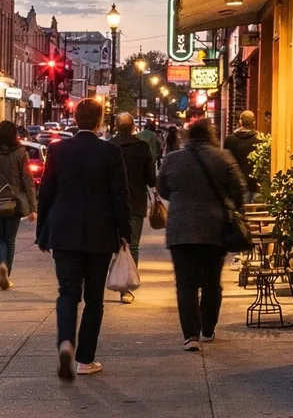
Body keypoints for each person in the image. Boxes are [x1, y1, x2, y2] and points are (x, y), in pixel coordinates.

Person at [35, 98, 129, 379]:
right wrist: (125, 232)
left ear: (75, 120)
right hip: (100, 234)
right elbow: (119, 196)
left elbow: (46, 193)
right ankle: (85, 360)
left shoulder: (58, 150)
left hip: (64, 231)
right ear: (100, 121)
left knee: (67, 292)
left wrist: (43, 231)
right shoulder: (111, 152)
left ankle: (66, 341)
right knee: (94, 298)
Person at [158, 117, 249, 351]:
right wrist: (231, 208)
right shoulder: (223, 157)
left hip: (181, 229)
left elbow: (163, 188)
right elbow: (239, 189)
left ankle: (191, 335)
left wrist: (182, 198)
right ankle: (208, 328)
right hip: (215, 228)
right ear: (211, 135)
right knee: (212, 281)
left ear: (188, 135)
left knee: (185, 284)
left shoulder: (173, 159)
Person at [0, 120, 37, 290]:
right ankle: (8, 273)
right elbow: (28, 180)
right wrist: (33, 207)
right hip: (15, 202)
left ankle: (1, 265)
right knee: (10, 239)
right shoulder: (21, 153)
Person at [109, 113, 157, 304]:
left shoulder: (109, 146)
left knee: (112, 243)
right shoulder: (142, 147)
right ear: (133, 127)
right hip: (135, 201)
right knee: (133, 245)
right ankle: (126, 288)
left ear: (116, 127)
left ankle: (112, 278)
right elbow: (151, 179)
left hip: (112, 202)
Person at [224, 109, 263, 198]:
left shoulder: (230, 140)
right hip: (254, 184)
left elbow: (225, 162)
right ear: (254, 122)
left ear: (240, 122)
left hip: (235, 183)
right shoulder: (260, 139)